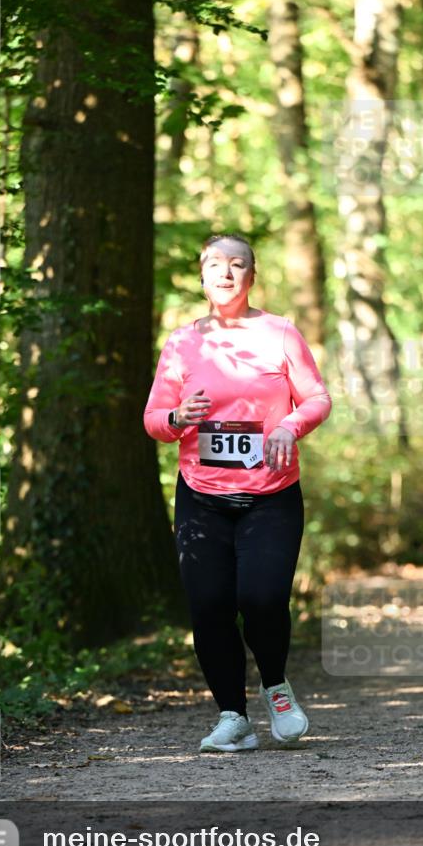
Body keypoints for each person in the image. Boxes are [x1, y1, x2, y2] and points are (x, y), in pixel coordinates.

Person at [143, 233, 332, 753]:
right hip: (201, 497)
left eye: (237, 264)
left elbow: (317, 398)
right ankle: (233, 718)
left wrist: (289, 426)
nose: (225, 273)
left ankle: (276, 687)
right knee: (209, 607)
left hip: (271, 495)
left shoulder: (279, 333)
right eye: (215, 264)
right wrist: (177, 417)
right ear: (201, 275)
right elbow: (154, 419)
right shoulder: (182, 343)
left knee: (262, 599)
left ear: (252, 275)